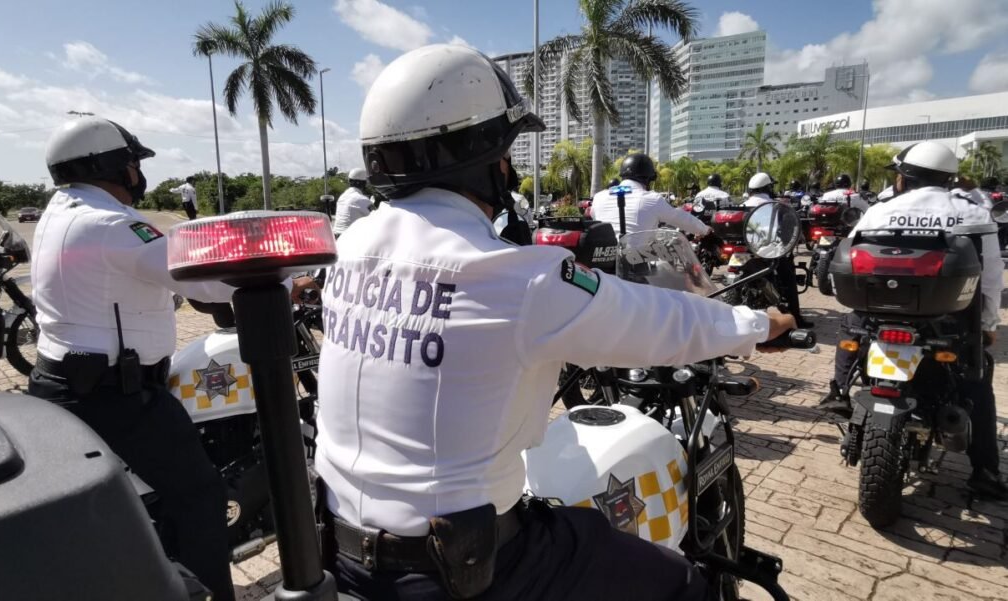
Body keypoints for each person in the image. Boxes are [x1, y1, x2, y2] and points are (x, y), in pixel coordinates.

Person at [313, 44, 797, 601]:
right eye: (504, 153)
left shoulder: (347, 250)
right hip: (466, 570)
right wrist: (759, 324)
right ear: (481, 157)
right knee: (681, 584)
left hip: (339, 553)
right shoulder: (514, 275)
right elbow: (661, 320)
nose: (508, 168)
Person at [28, 117, 252, 601]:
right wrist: (280, 280)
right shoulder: (112, 224)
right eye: (132, 162)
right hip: (118, 397)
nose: (137, 172)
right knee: (201, 497)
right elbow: (202, 279)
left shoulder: (59, 213)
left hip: (66, 383)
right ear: (111, 166)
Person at [819, 142, 1006, 500]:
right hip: (948, 317)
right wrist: (987, 325)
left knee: (851, 326)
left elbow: (854, 255)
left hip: (877, 312)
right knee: (976, 379)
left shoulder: (880, 210)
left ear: (905, 178)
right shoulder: (972, 213)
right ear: (948, 179)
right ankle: (985, 471)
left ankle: (839, 390)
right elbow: (991, 278)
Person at [743, 173, 812, 327]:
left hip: (747, 247)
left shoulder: (743, 205)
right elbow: (788, 228)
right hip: (768, 249)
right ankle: (796, 318)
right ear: (768, 188)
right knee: (788, 277)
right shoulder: (776, 205)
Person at [590, 153, 710, 239]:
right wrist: (705, 230)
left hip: (603, 264)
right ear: (648, 179)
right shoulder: (652, 199)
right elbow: (681, 218)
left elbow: (594, 218)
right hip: (636, 262)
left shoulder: (599, 197)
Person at [333, 167, 374, 237]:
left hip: (336, 237)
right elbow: (376, 217)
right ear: (363, 183)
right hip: (351, 237)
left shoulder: (342, 197)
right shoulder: (361, 199)